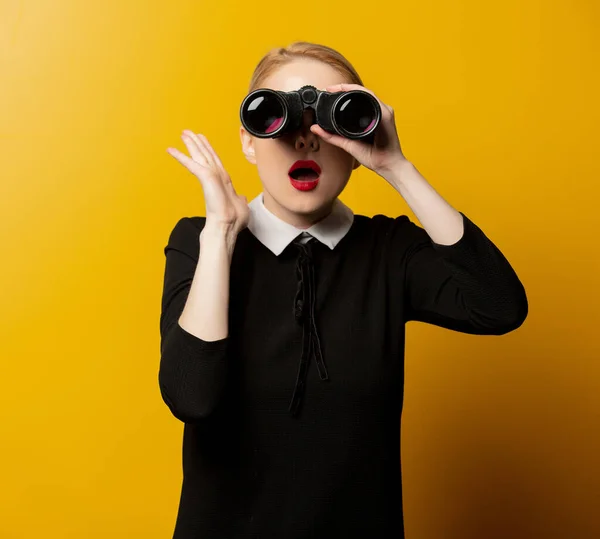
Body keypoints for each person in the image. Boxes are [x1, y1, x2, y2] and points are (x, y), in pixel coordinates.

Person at [159, 41, 528, 539]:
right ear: (248, 142)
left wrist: (397, 166)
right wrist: (221, 234)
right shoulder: (202, 242)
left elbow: (499, 307)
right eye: (278, 116)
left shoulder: (389, 251)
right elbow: (190, 397)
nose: (303, 140)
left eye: (325, 122)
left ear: (355, 140)